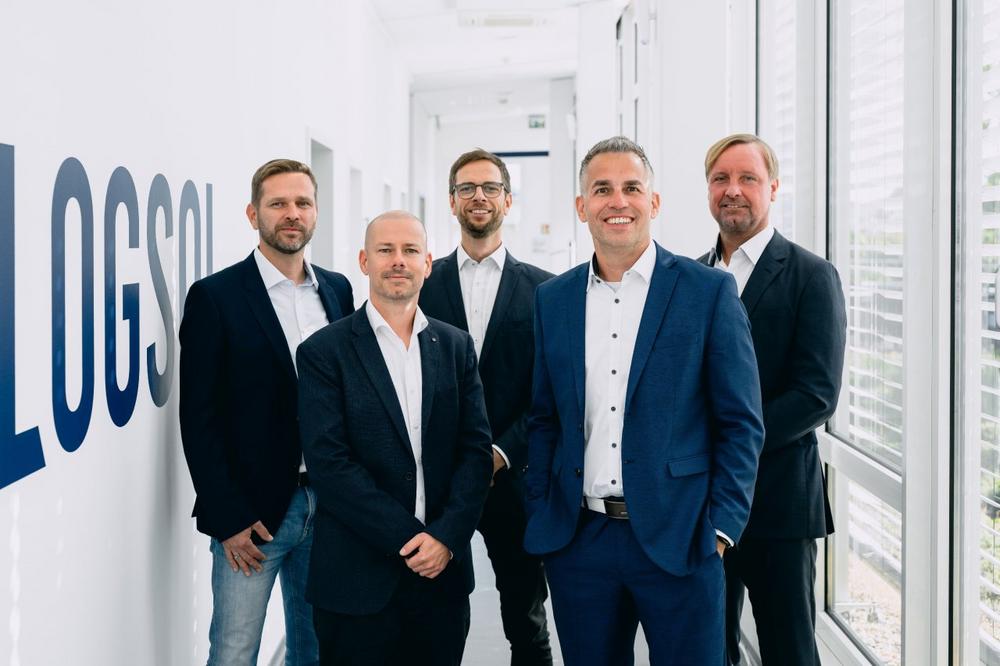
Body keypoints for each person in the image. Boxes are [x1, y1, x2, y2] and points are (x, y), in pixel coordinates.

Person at [524, 136, 764, 665]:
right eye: (602, 189)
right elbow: (544, 419)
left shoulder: (708, 292)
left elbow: (741, 422)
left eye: (632, 188)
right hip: (579, 542)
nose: (618, 201)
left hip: (682, 538)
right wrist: (541, 507)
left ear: (653, 202)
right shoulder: (553, 299)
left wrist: (720, 529)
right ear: (582, 206)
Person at [297, 211, 493, 666]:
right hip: (356, 583)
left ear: (428, 262)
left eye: (410, 251)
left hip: (442, 579)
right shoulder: (323, 352)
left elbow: (475, 453)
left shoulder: (457, 347)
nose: (398, 261)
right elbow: (330, 465)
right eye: (385, 250)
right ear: (364, 261)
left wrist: (445, 538)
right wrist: (414, 538)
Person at [179, 158, 354, 664]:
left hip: (329, 506)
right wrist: (228, 516)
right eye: (278, 203)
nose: (292, 213)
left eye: (302, 203)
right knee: (234, 652)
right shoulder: (215, 297)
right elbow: (198, 416)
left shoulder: (338, 290)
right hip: (252, 518)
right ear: (253, 214)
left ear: (316, 212)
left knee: (317, 650)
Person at [699, 133, 846, 665]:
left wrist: (730, 442)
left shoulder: (811, 275)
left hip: (779, 504)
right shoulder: (691, 277)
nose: (733, 189)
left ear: (773, 188)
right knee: (706, 650)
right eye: (721, 178)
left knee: (789, 652)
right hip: (702, 504)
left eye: (748, 178)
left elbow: (816, 395)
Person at [419, 148, 554, 666]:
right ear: (451, 201)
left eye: (490, 188)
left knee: (526, 619)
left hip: (514, 479)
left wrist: (499, 452)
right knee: (437, 617)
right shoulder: (422, 284)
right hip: (438, 482)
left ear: (508, 200)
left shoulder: (545, 290)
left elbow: (550, 391)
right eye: (467, 188)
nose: (479, 197)